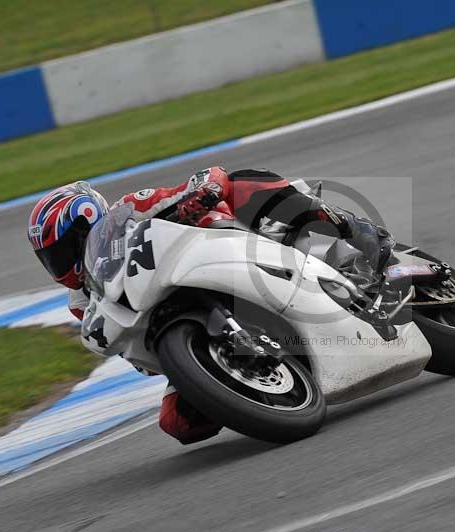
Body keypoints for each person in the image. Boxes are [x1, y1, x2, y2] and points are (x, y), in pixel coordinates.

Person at [27, 167, 393, 444]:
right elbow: (131, 353)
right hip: (178, 313)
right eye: (51, 259)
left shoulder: (130, 210)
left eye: (62, 251)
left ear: (87, 222)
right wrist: (172, 365)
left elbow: (206, 177)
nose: (59, 265)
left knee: (245, 183)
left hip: (228, 245)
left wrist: (203, 193)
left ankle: (348, 226)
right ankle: (256, 378)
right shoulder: (82, 302)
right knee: (179, 424)